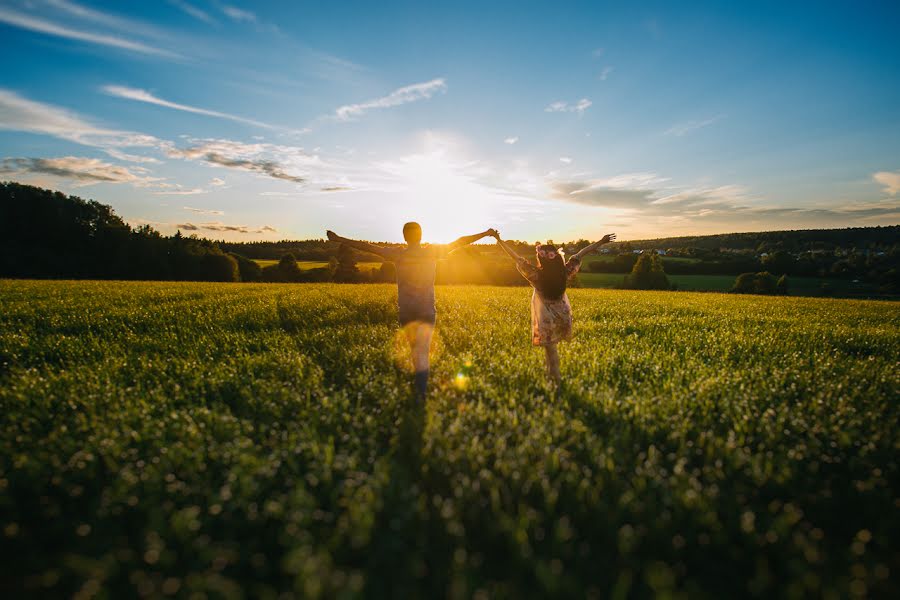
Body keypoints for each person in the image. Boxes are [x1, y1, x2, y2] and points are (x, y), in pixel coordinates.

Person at [326, 223, 496, 399]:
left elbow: (366, 247)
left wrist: (339, 239)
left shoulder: (397, 254)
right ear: (421, 235)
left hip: (406, 310)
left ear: (404, 236)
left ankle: (417, 388)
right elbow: (461, 241)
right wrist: (485, 233)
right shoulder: (431, 252)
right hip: (427, 310)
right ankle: (420, 393)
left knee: (416, 350)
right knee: (422, 352)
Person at [492, 231, 616, 383]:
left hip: (546, 316)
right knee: (550, 349)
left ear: (542, 259)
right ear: (556, 256)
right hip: (563, 313)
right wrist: (601, 242)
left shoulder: (535, 275)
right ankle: (551, 377)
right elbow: (582, 253)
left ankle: (555, 381)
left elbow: (515, 257)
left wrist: (499, 240)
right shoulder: (564, 271)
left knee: (550, 349)